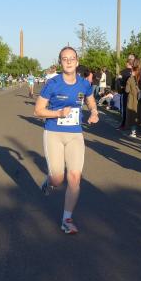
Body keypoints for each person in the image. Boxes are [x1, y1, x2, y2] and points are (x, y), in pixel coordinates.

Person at [34, 46, 99, 234]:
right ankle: (49, 182)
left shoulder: (84, 84)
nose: (69, 61)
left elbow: (90, 100)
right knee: (57, 179)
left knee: (74, 177)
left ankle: (67, 219)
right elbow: (38, 111)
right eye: (65, 58)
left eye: (72, 58)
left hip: (75, 134)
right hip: (53, 133)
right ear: (60, 62)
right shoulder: (52, 84)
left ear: (77, 62)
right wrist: (58, 113)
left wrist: (94, 112)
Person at [124, 57, 141, 138]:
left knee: (132, 116)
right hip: (139, 99)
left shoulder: (130, 79)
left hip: (132, 100)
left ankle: (133, 131)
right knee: (137, 115)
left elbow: (127, 90)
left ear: (133, 71)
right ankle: (135, 130)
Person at [118, 54, 134, 129]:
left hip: (124, 91)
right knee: (131, 109)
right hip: (133, 93)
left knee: (124, 108)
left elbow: (118, 81)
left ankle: (124, 124)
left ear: (127, 63)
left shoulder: (122, 72)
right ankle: (131, 125)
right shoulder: (135, 72)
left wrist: (120, 89)